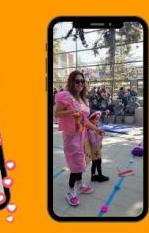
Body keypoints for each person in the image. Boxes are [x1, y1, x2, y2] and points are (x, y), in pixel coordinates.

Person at [54, 71, 104, 206]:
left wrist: (96, 129)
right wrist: (71, 111)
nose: (80, 84)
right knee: (76, 165)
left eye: (82, 81)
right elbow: (56, 113)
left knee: (81, 162)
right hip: (71, 136)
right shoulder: (65, 96)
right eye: (77, 81)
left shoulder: (83, 99)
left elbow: (85, 120)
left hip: (82, 135)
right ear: (71, 82)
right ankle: (70, 191)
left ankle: (80, 185)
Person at [85, 111, 109, 182]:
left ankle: (93, 176)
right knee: (98, 162)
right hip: (94, 149)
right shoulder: (90, 129)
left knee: (95, 163)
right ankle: (100, 176)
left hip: (96, 148)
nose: (97, 121)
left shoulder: (94, 127)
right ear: (91, 119)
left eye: (98, 119)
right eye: (96, 119)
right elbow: (93, 142)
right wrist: (101, 137)